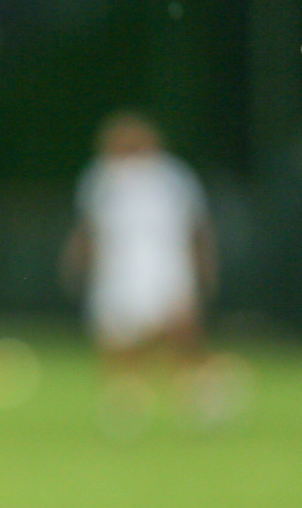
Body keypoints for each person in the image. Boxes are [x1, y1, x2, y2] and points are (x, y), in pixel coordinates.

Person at [62, 112, 218, 430]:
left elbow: (197, 229)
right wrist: (76, 263)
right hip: (118, 273)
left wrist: (204, 269)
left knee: (180, 339)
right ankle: (126, 406)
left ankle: (199, 402)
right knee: (118, 343)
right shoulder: (101, 178)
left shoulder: (173, 177)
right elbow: (87, 230)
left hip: (165, 268)